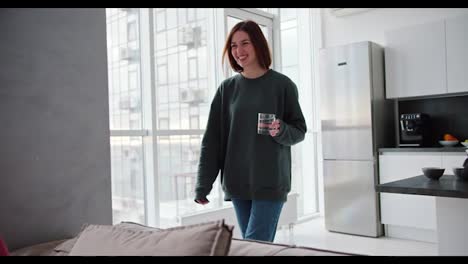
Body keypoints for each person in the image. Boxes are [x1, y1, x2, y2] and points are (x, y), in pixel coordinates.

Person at [194, 20, 307, 243]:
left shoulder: (282, 85)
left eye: (245, 43)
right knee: (252, 245)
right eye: (233, 46)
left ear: (258, 44)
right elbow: (212, 141)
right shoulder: (227, 89)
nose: (238, 51)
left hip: (270, 180)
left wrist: (281, 129)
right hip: (237, 181)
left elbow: (299, 130)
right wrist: (203, 185)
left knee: (255, 245)